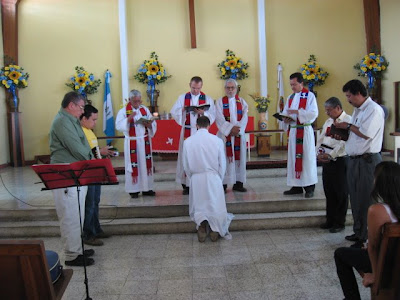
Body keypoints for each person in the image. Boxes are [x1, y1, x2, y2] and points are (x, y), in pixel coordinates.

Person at [334, 161, 400, 300]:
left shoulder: (378, 210)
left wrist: (376, 277)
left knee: (340, 254)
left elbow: (373, 248)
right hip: (396, 261)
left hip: (385, 266)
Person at [334, 79, 384, 248]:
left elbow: (366, 133)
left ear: (358, 94)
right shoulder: (358, 110)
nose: (348, 100)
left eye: (349, 96)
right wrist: (342, 134)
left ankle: (367, 237)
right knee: (355, 198)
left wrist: (347, 126)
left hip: (367, 161)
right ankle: (359, 232)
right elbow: (354, 134)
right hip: (354, 160)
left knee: (366, 198)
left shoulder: (374, 110)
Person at [49, 91, 95, 266]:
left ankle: (77, 248)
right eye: (81, 107)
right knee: (70, 215)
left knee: (77, 214)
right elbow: (77, 148)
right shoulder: (62, 121)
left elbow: (84, 143)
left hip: (76, 173)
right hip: (65, 175)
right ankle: (71, 255)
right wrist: (92, 163)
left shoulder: (71, 120)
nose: (82, 111)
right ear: (71, 105)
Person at [183, 116, 233, 242]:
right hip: (213, 177)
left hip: (196, 178)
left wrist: (192, 177)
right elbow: (222, 162)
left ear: (196, 126)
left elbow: (186, 165)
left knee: (199, 204)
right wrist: (218, 178)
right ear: (209, 126)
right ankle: (215, 230)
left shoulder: (188, 141)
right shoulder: (217, 140)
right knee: (214, 204)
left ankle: (202, 227)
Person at [171, 76, 216, 195]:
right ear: (189, 85)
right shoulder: (182, 98)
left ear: (202, 86)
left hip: (200, 132)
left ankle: (200, 183)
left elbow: (213, 114)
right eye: (193, 88)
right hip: (188, 130)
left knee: (200, 156)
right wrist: (183, 110)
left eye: (198, 88)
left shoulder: (207, 98)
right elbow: (174, 112)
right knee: (186, 156)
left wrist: (203, 113)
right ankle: (186, 185)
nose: (196, 90)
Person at [316, 97, 351, 233]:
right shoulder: (329, 121)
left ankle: (339, 222)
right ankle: (329, 220)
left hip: (340, 160)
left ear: (338, 108)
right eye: (326, 110)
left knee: (341, 192)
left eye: (329, 110)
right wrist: (318, 152)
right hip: (326, 159)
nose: (327, 113)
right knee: (329, 190)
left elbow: (345, 143)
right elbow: (321, 138)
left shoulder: (348, 120)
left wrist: (331, 155)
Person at [80, 104, 114, 246]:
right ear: (83, 118)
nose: (95, 123)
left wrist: (102, 151)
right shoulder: (80, 132)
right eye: (93, 120)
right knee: (89, 204)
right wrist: (101, 152)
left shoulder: (89, 131)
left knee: (95, 202)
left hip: (95, 171)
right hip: (87, 173)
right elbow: (84, 153)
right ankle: (88, 234)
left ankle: (96, 229)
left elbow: (93, 149)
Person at [282, 72, 318, 198]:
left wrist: (298, 112)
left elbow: (313, 113)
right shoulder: (290, 98)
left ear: (301, 83)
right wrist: (285, 119)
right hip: (293, 131)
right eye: (291, 84)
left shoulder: (310, 96)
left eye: (294, 84)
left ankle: (309, 187)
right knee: (293, 158)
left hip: (305, 131)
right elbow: (285, 112)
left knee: (307, 159)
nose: (292, 87)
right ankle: (296, 186)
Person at [115, 89, 157, 198]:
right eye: (135, 101)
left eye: (139, 101)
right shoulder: (123, 111)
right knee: (133, 165)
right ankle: (134, 189)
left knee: (145, 164)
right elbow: (119, 126)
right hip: (132, 142)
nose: (138, 104)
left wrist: (149, 124)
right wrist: (128, 119)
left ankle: (147, 188)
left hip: (144, 140)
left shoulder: (145, 109)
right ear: (130, 100)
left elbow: (152, 122)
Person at [215, 79, 248, 193]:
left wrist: (237, 130)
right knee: (224, 159)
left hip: (238, 136)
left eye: (232, 88)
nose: (230, 90)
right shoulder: (219, 102)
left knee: (240, 160)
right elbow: (219, 118)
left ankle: (238, 184)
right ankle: (223, 184)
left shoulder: (242, 102)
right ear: (224, 89)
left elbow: (245, 118)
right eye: (228, 88)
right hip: (225, 137)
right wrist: (229, 129)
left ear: (236, 88)